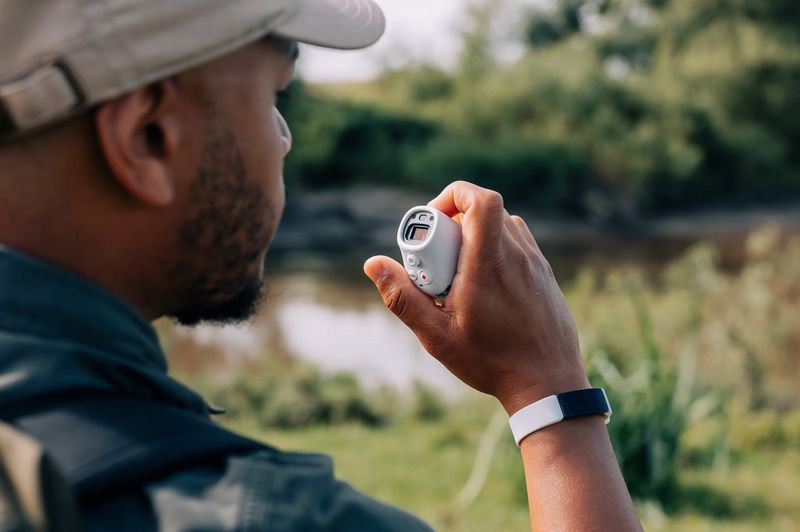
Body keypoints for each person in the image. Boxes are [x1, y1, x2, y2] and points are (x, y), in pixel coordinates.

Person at [0, 0, 642, 530]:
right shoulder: (265, 518)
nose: (284, 136)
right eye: (273, 93)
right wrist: (548, 388)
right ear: (148, 137)